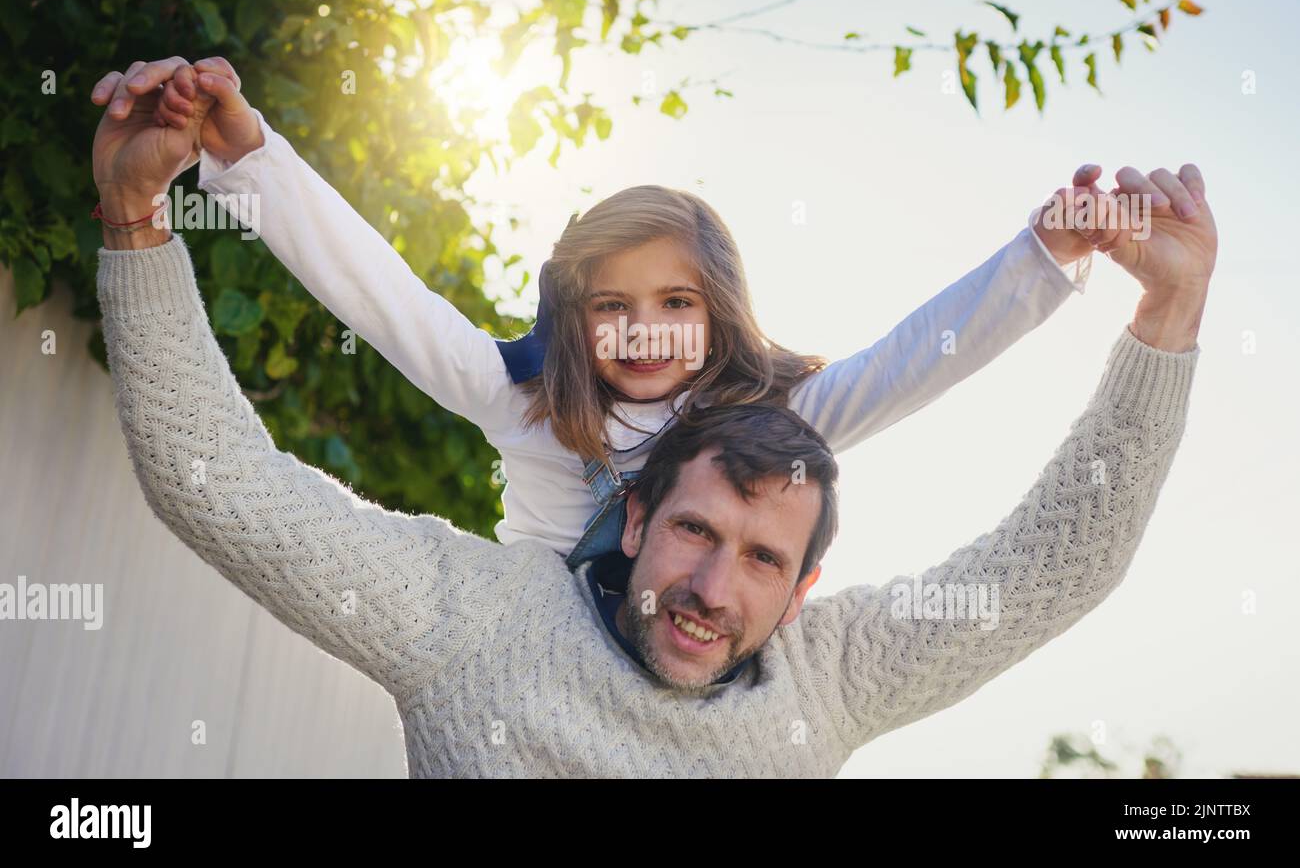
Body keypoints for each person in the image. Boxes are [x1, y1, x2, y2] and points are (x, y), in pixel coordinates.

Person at [90, 57, 1215, 777]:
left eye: (761, 554)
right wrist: (221, 172)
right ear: (631, 519)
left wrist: (1072, 268)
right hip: (524, 609)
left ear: (803, 585)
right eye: (688, 530)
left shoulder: (783, 459)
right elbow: (373, 315)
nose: (717, 584)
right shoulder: (497, 537)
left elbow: (926, 375)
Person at [93, 56, 1113, 565]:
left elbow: (916, 358)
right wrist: (244, 151)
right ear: (573, 319)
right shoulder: (520, 395)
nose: (641, 328)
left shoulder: (774, 426)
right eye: (609, 305)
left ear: (718, 315)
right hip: (522, 654)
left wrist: (1044, 254)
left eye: (675, 301)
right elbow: (381, 296)